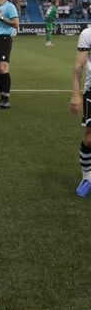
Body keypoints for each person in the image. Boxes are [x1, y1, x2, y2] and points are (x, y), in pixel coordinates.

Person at [71, 26, 91, 196]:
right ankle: (87, 178)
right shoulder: (88, 33)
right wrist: (76, 95)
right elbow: (78, 67)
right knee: (89, 139)